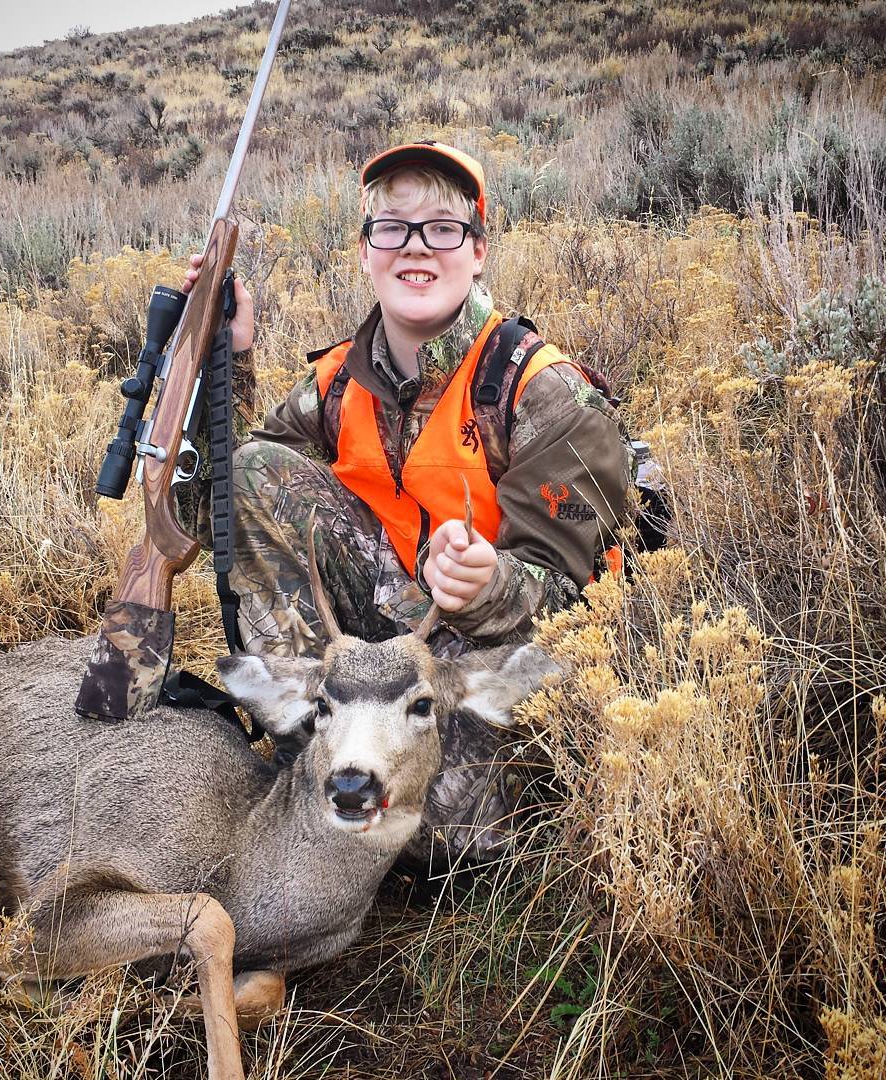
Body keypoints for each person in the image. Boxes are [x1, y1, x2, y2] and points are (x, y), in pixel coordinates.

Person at [180, 141, 632, 866]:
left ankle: (384, 813)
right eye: (392, 227)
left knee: (459, 841)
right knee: (257, 472)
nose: (416, 248)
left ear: (478, 250)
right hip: (386, 656)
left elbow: (583, 604)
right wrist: (224, 359)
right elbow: (226, 513)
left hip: (491, 668)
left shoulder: (543, 393)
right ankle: (315, 764)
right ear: (366, 252)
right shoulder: (335, 384)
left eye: (443, 229)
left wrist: (491, 585)